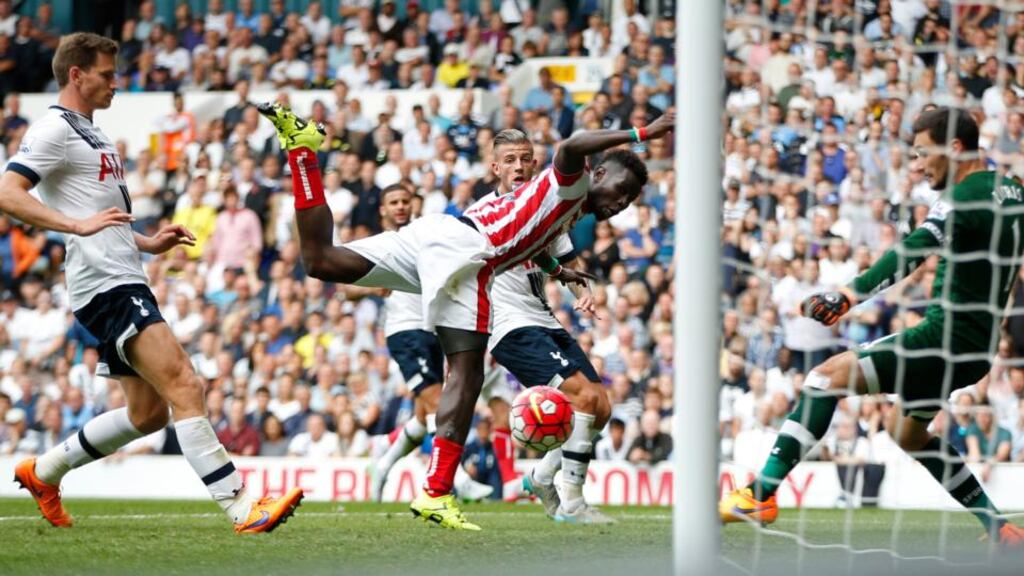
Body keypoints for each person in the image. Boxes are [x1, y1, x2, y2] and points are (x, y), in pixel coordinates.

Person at [258, 102, 672, 530]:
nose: (620, 203)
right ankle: (436, 493)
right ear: (599, 174)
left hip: (438, 234)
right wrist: (645, 132)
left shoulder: (564, 211)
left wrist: (559, 271)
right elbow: (571, 145)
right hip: (468, 256)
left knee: (322, 260)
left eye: (628, 200)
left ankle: (303, 153)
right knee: (467, 372)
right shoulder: (574, 186)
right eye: (620, 189)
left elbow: (526, 239)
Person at [3, 33, 301, 534]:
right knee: (186, 382)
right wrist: (73, 227)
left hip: (121, 272)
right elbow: (10, 193)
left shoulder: (93, 133)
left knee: (146, 415)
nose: (115, 84)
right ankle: (242, 507)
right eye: (107, 74)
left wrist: (146, 242)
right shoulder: (53, 128)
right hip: (106, 283)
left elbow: (97, 215)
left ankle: (44, 471)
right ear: (76, 75)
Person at [720, 108, 1024, 547]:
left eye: (922, 153)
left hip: (942, 338)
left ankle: (760, 494)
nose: (917, 165)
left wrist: (848, 295)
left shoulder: (961, 197)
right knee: (907, 432)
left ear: (954, 148)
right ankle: (999, 527)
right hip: (979, 349)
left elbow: (915, 248)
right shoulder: (1013, 190)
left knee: (825, 379)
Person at [473, 128, 613, 522]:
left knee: (601, 407)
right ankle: (572, 502)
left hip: (544, 321)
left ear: (535, 163)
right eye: (510, 160)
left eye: (526, 159)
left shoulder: (547, 210)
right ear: (495, 167)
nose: (519, 167)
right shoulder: (481, 217)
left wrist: (581, 292)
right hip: (511, 328)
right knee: (582, 401)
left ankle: (540, 475)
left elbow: (566, 269)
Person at [367, 184, 494, 503]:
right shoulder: (381, 244)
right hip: (404, 331)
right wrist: (372, 287)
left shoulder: (422, 235)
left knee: (424, 416)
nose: (399, 206)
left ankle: (384, 457)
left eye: (404, 201)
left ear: (413, 204)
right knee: (441, 404)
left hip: (431, 329)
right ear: (383, 209)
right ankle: (458, 479)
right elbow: (346, 285)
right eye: (393, 202)